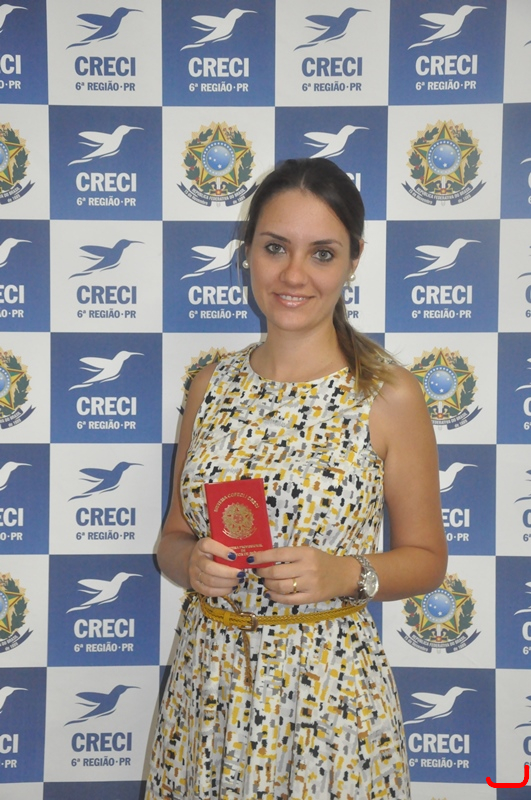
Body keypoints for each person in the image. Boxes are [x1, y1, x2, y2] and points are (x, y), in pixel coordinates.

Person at [145, 158, 447, 800]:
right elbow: (171, 538)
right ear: (248, 250)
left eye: (322, 253)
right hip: (210, 690)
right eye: (276, 247)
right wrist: (190, 563)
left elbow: (427, 560)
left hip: (330, 700)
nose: (293, 274)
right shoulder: (210, 386)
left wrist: (347, 574)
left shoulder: (387, 394)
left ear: (354, 261)